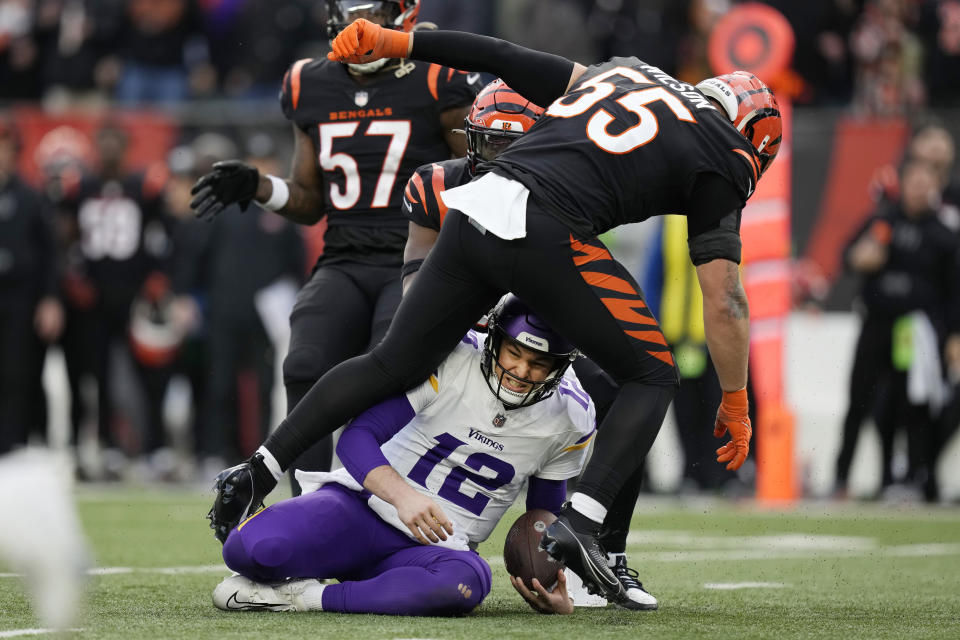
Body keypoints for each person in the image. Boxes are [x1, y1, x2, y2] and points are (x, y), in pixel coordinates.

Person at [209, 20, 778, 606]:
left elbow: (506, 56)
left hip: (482, 208)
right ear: (751, 136)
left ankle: (258, 466)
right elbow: (726, 296)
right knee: (651, 373)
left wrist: (403, 43)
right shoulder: (725, 149)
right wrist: (735, 396)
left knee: (390, 363)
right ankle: (586, 530)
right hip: (550, 228)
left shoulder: (624, 71)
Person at [189, 0, 480, 492]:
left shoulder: (436, 78)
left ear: (401, 14)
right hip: (344, 258)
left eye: (370, 12)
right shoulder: (310, 82)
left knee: (395, 369)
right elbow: (308, 202)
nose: (357, 24)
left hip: (414, 259)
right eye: (348, 12)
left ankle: (392, 508)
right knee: (303, 364)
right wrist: (258, 186)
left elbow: (479, 174)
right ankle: (309, 509)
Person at [401, 78, 653, 607]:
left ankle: (610, 549)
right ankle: (358, 493)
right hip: (466, 329)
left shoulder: (568, 193)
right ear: (470, 140)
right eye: (493, 143)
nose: (504, 158)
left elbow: (586, 283)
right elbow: (414, 286)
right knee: (391, 365)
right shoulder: (435, 187)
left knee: (617, 392)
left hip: (544, 331)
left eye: (518, 145)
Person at [211, 296, 598, 616]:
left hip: (438, 549)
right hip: (360, 509)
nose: (520, 370)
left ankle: (303, 597)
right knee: (246, 549)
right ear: (495, 338)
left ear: (562, 366)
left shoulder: (571, 416)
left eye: (538, 364)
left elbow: (542, 515)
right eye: (514, 352)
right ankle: (358, 583)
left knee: (464, 584)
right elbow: (357, 437)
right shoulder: (454, 357)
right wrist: (403, 496)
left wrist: (549, 584)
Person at [833, 160, 960, 501]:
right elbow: (847, 255)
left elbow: (953, 291)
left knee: (911, 404)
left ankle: (910, 479)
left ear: (936, 185)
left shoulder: (944, 234)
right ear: (901, 183)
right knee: (859, 401)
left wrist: (953, 336)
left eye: (926, 180)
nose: (918, 187)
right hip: (876, 324)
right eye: (913, 179)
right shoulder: (882, 221)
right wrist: (859, 258)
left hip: (914, 332)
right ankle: (840, 478)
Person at [0, 124, 63, 454]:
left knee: (17, 373)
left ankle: (13, 447)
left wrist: (50, 299)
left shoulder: (31, 198)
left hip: (20, 298)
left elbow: (50, 254)